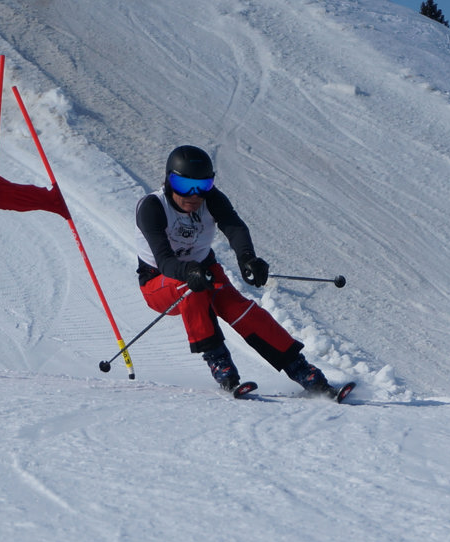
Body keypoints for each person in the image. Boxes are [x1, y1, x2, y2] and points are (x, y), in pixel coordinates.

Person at [134, 145, 332, 393]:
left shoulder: (212, 200)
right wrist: (188, 272)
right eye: (185, 186)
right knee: (190, 286)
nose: (194, 195)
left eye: (203, 186)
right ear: (169, 181)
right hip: (160, 281)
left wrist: (248, 259)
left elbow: (235, 227)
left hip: (204, 268)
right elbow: (163, 260)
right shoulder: (152, 207)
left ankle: (300, 368)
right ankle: (219, 361)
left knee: (239, 308)